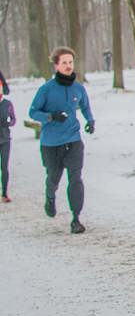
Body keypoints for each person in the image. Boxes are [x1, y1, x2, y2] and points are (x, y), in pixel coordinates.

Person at [30, 47, 95, 234]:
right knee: (54, 177)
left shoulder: (78, 88)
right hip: (51, 143)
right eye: (64, 63)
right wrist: (50, 117)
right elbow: (33, 111)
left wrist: (90, 121)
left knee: (75, 178)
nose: (68, 66)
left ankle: (76, 219)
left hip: (73, 140)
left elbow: (85, 106)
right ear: (56, 65)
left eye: (70, 62)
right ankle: (50, 196)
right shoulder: (46, 89)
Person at [1, 88, 14, 203]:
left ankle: (4, 193)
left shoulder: (7, 104)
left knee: (4, 167)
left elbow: (14, 119)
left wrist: (8, 123)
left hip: (5, 139)